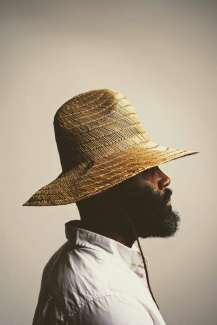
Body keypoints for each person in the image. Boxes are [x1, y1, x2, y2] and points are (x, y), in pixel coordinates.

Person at [23, 89, 199, 324]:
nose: (165, 179)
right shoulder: (109, 303)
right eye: (146, 170)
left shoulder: (70, 261)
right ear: (105, 189)